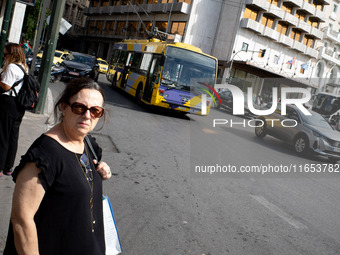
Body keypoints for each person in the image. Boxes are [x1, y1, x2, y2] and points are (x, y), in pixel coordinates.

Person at [4, 78, 112, 255]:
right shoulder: (45, 155)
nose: (87, 115)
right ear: (63, 107)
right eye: (79, 107)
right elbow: (21, 220)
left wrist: (101, 169)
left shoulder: (87, 143)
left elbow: (80, 174)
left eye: (95, 111)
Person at [0, 43, 28, 176]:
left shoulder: (11, 67)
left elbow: (6, 87)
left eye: (5, 54)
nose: (4, 56)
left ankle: (0, 166)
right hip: (19, 105)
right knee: (13, 136)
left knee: (3, 134)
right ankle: (8, 167)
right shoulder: (23, 66)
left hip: (8, 103)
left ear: (12, 54)